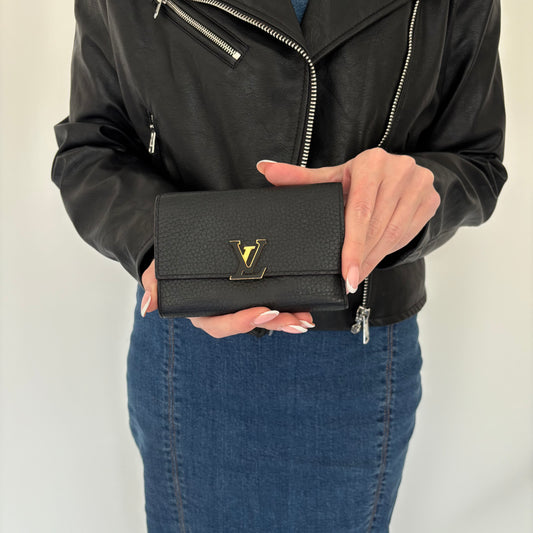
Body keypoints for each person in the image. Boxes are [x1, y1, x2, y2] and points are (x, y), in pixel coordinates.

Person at [52, 0, 506, 531]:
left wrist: (413, 191)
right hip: (196, 345)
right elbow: (91, 149)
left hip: (355, 352)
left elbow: (476, 162)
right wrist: (169, 254)